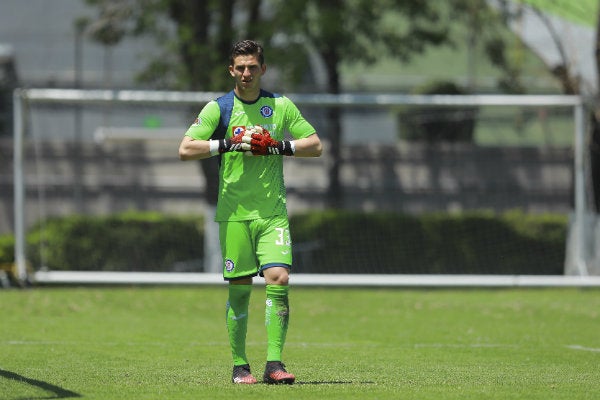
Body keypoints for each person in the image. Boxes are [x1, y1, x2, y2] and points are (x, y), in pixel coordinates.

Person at [178, 39, 322, 385]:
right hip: (234, 215)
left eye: (252, 67)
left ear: (263, 69)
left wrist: (278, 147)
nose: (246, 73)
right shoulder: (219, 108)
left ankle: (274, 365)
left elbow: (314, 145)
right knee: (240, 289)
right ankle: (240, 366)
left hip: (272, 214)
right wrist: (226, 143)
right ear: (231, 70)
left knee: (279, 279)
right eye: (240, 67)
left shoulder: (281, 105)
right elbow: (186, 148)